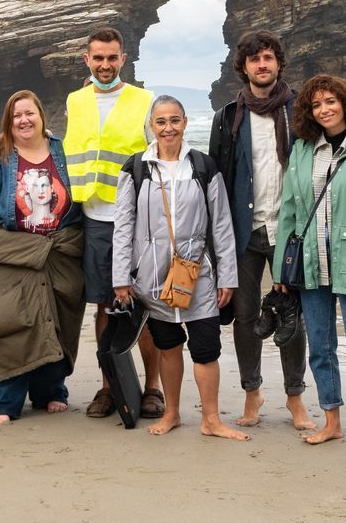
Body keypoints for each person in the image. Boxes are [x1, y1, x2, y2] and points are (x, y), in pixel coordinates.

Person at [273, 75, 346, 465]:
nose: (324, 109)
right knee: (321, 350)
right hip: (310, 267)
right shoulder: (304, 151)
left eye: (331, 101)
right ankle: (331, 422)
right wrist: (281, 271)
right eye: (316, 104)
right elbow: (289, 213)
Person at [111, 95, 246, 439]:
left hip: (197, 274)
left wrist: (227, 276)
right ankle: (171, 413)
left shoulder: (203, 166)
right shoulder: (136, 168)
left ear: (185, 122)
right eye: (161, 122)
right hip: (152, 278)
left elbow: (222, 225)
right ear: (151, 126)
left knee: (205, 348)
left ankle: (211, 419)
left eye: (174, 120)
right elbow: (123, 226)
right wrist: (121, 277)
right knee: (167, 345)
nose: (168, 128)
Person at [0, 91, 85, 424]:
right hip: (10, 253)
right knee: (9, 324)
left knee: (56, 323)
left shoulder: (65, 152)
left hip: (59, 252)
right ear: (8, 122)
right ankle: (3, 401)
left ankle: (51, 392)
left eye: (30, 113)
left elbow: (87, 196)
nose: (24, 120)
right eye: (16, 116)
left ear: (42, 115)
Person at [208, 30, 312, 429]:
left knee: (291, 316)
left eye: (268, 58)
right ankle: (252, 393)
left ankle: (295, 398)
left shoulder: (299, 111)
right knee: (246, 315)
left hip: (290, 230)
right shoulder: (228, 118)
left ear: (278, 63)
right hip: (244, 232)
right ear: (244, 67)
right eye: (254, 60)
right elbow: (217, 180)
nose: (262, 65)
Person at [63, 26, 164, 419]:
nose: (105, 65)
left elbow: (158, 158)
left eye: (112, 58)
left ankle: (152, 388)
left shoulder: (145, 100)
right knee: (105, 306)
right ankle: (110, 388)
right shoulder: (75, 101)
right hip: (93, 221)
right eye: (98, 58)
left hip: (137, 222)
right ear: (86, 60)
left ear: (123, 59)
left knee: (144, 306)